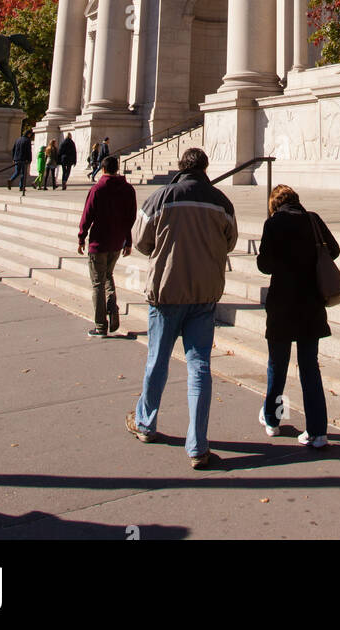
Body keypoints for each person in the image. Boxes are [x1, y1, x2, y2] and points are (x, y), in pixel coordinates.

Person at [125, 147, 237, 469]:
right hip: (204, 294)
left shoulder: (160, 198)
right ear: (205, 168)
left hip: (167, 292)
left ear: (179, 167)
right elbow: (229, 241)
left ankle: (146, 423)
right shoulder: (221, 202)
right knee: (199, 364)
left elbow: (141, 240)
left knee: (157, 358)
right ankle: (198, 446)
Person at [257, 185, 340, 449]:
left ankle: (272, 419)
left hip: (282, 303)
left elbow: (265, 265)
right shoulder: (312, 220)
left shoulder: (273, 224)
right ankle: (318, 432)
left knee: (277, 365)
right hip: (311, 303)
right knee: (309, 367)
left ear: (275, 204)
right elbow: (334, 251)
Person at [78, 155, 137, 339]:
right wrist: (128, 240)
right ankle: (112, 309)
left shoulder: (97, 189)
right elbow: (131, 217)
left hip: (98, 243)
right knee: (108, 276)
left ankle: (100, 326)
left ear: (103, 170)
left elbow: (87, 215)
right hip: (117, 243)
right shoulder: (128, 189)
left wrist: (81, 237)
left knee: (98, 283)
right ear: (117, 168)